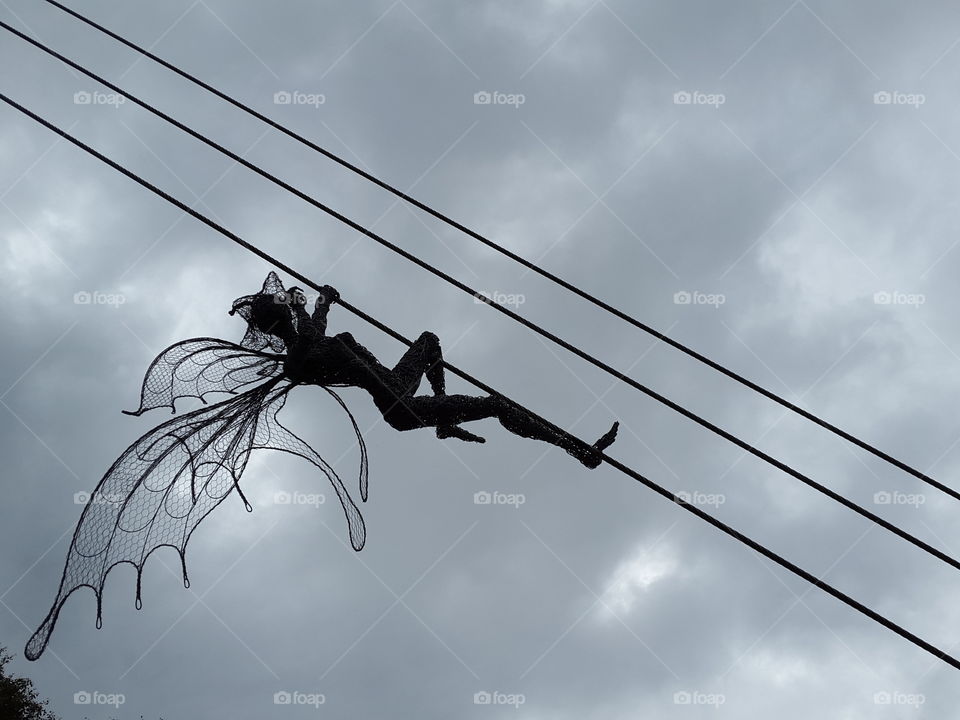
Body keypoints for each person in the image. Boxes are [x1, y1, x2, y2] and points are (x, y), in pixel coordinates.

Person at [230, 278, 619, 468]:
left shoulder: (304, 341)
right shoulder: (298, 357)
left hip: (398, 387)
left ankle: (442, 418)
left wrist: (312, 303)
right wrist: (315, 303)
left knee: (430, 341)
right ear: (276, 323)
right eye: (281, 310)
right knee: (497, 406)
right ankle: (580, 451)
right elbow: (310, 333)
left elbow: (312, 323)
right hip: (399, 407)